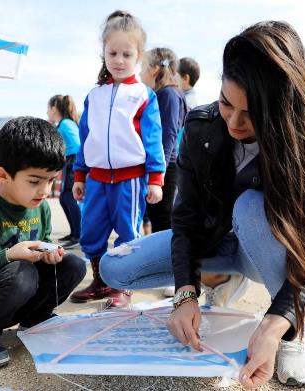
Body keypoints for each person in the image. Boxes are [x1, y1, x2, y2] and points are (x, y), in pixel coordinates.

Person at [99, 21, 305, 388]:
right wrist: (185, 294)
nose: (233, 121)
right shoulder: (200, 125)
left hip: (263, 248)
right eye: (226, 103)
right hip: (216, 244)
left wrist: (274, 323)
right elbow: (184, 218)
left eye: (251, 114)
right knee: (115, 268)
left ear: (283, 107)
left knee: (249, 207)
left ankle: (297, 329)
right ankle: (221, 278)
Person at [0, 117, 86, 369]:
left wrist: (47, 253)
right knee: (22, 272)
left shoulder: (40, 208)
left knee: (73, 264)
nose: (44, 190)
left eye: (51, 180)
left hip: (17, 291)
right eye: (34, 181)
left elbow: (41, 246)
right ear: (3, 174)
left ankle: (34, 319)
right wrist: (7, 255)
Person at [69, 10, 165, 309]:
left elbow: (152, 139)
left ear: (139, 55)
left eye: (127, 53)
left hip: (130, 179)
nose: (119, 59)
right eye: (113, 52)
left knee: (129, 235)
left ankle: (123, 285)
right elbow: (86, 139)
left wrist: (156, 179)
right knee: (91, 232)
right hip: (96, 178)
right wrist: (79, 175)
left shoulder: (144, 95)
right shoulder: (94, 96)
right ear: (104, 52)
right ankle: (100, 280)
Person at [140, 47, 187, 233]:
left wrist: (158, 174)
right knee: (158, 219)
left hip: (166, 167)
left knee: (163, 221)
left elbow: (168, 136)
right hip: (162, 166)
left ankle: (167, 262)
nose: (139, 72)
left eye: (142, 67)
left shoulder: (168, 94)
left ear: (154, 70)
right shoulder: (162, 94)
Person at [46, 95, 81, 249]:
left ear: (54, 109)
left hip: (74, 161)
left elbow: (78, 144)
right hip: (69, 162)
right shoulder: (62, 124)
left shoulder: (66, 124)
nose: (47, 112)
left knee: (68, 197)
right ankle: (74, 233)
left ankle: (79, 235)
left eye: (48, 109)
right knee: (64, 199)